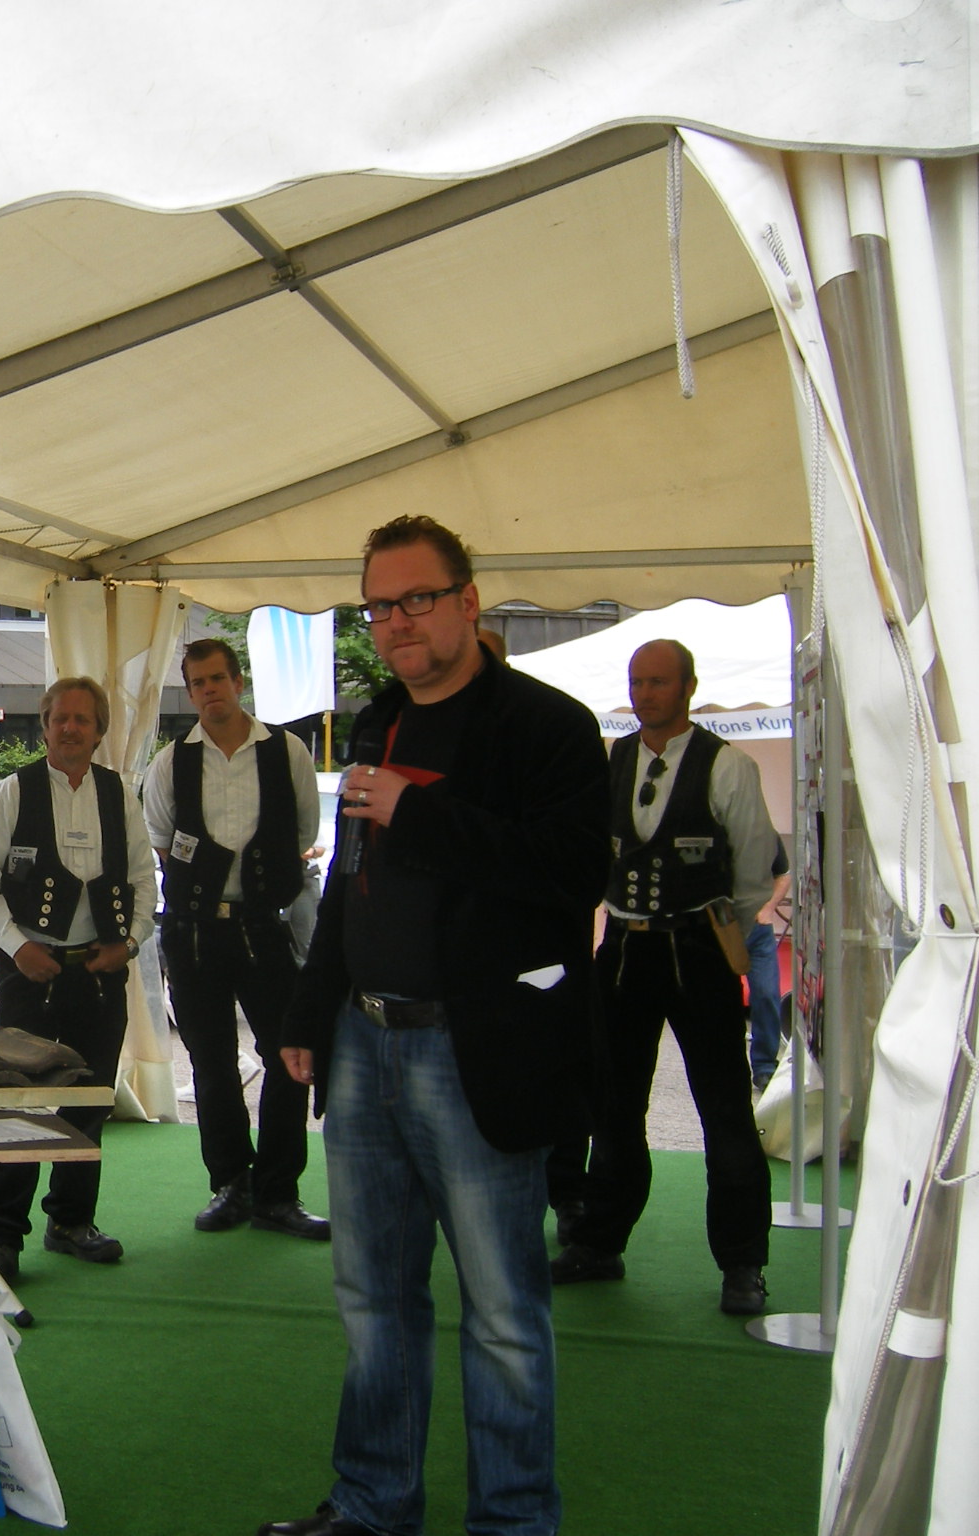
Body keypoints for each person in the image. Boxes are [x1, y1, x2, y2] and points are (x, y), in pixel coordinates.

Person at [261, 515, 609, 1536]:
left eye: (417, 598)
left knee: (501, 1313)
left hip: (478, 1050)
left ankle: (513, 1520)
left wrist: (419, 814)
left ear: (467, 600)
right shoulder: (375, 723)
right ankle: (374, 1504)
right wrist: (310, 1007)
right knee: (372, 1298)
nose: (397, 621)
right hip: (364, 1043)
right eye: (380, 605)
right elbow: (349, 881)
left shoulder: (544, 726)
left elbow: (571, 873)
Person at [552, 639, 780, 1316]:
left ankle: (742, 1262)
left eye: (658, 682)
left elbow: (753, 868)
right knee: (614, 1104)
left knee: (724, 1108)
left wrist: (710, 924)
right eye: (637, 682)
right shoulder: (611, 760)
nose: (645, 694)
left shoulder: (728, 765)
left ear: (688, 688)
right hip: (624, 949)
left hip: (697, 949)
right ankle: (601, 1241)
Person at [0, 676, 157, 1284]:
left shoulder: (120, 794)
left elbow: (144, 881)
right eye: (60, 718)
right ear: (45, 727)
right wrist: (18, 947)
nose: (70, 728)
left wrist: (128, 944)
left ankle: (71, 1221)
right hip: (29, 972)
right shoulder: (12, 792)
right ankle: (0, 1235)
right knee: (17, 1101)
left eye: (83, 719)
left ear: (99, 732)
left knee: (89, 1099)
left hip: (97, 973)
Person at [144, 638, 326, 1239]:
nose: (209, 691)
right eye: (198, 683)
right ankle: (230, 1183)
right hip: (193, 932)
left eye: (217, 679)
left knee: (287, 1056)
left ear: (238, 682)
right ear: (190, 691)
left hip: (263, 926)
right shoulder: (172, 761)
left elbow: (302, 831)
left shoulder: (287, 751)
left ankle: (279, 1192)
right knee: (211, 1063)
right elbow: (163, 842)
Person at [747, 848, 791, 1093]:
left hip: (757, 929)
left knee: (766, 993)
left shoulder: (766, 837)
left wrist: (768, 908)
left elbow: (783, 875)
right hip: (722, 925)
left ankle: (764, 1066)